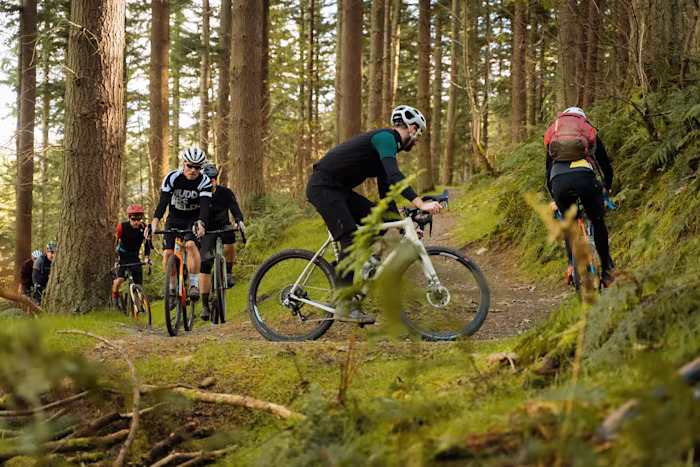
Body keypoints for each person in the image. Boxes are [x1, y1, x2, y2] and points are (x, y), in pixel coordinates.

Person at [306, 105, 441, 324]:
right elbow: (396, 175)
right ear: (412, 128)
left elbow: (387, 192)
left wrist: (402, 225)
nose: (417, 141)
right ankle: (344, 306)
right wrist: (420, 203)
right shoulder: (386, 138)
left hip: (339, 190)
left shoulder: (387, 150)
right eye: (419, 134)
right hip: (324, 187)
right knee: (350, 238)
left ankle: (344, 266)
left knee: (376, 221)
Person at [544, 106, 615, 287]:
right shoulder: (587, 131)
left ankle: (570, 266)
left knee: (569, 222)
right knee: (597, 220)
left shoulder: (555, 133)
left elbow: (547, 174)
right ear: (582, 120)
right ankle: (606, 271)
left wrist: (555, 198)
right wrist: (606, 187)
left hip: (558, 182)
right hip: (585, 179)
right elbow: (606, 166)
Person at [150, 147, 212, 301]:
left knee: (191, 245)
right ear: (183, 164)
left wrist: (201, 224)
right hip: (174, 217)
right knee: (168, 253)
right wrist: (154, 222)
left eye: (197, 167)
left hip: (194, 218)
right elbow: (163, 203)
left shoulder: (204, 181)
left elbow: (205, 208)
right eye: (190, 166)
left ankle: (193, 284)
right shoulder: (172, 178)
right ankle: (171, 286)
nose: (193, 170)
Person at [197, 163, 246, 321]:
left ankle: (229, 272)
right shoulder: (198, 194)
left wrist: (239, 221)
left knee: (231, 238)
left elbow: (235, 209)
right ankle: (205, 305)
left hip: (223, 226)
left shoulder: (225, 193)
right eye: (207, 179)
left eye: (213, 179)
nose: (210, 182)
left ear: (216, 179)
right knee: (204, 265)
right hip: (206, 230)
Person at [112, 204, 152, 308]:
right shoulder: (122, 227)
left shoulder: (144, 228)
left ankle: (137, 309)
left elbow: (147, 244)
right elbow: (115, 244)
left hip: (135, 256)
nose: (136, 222)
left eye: (139, 219)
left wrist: (147, 257)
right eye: (134, 219)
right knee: (119, 280)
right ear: (129, 218)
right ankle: (115, 303)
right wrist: (116, 260)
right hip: (123, 256)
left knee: (138, 286)